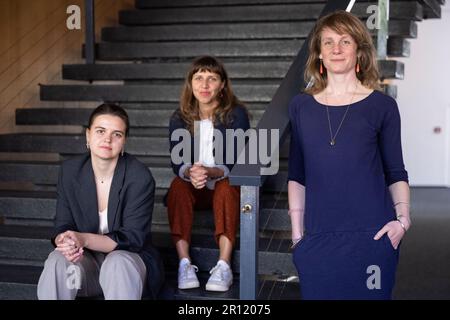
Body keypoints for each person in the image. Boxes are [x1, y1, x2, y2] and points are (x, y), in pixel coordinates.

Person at [287, 10, 411, 300]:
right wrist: (297, 236)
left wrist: (403, 222)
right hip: (318, 240)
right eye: (328, 42)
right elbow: (297, 174)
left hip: (374, 237)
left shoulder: (382, 107)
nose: (336, 49)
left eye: (345, 41)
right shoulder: (301, 107)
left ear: (359, 50)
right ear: (318, 53)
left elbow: (396, 172)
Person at [37, 103, 164, 300]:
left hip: (127, 270)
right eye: (100, 131)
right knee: (57, 261)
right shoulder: (71, 171)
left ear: (124, 142)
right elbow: (62, 225)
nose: (107, 139)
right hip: (87, 272)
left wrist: (84, 239)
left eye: (117, 134)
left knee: (117, 262)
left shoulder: (139, 176)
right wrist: (66, 241)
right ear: (88, 135)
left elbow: (132, 238)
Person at [167, 56, 250, 292]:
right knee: (177, 186)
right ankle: (184, 262)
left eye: (212, 79)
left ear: (222, 84)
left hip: (223, 186)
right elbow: (177, 161)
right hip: (195, 187)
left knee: (226, 185)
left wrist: (210, 172)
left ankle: (223, 265)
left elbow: (236, 160)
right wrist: (190, 172)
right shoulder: (179, 117)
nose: (204, 85)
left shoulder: (236, 115)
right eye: (199, 78)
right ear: (190, 83)